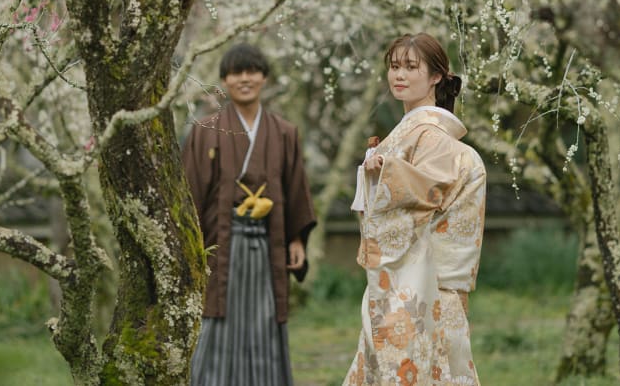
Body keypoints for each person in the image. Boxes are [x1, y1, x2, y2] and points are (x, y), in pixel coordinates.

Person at [343, 33, 487, 386]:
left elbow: (422, 197)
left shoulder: (432, 137)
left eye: (411, 67)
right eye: (394, 67)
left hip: (425, 286)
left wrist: (385, 174)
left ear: (436, 76)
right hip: (417, 282)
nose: (399, 76)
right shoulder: (418, 133)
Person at [182, 43, 317, 386]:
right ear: (224, 81)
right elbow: (191, 192)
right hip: (220, 246)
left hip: (267, 243)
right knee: (217, 314)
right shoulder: (205, 129)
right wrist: (189, 248)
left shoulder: (284, 132)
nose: (245, 79)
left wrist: (297, 239)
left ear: (264, 78)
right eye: (236, 73)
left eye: (252, 72)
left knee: (265, 317)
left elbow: (295, 188)